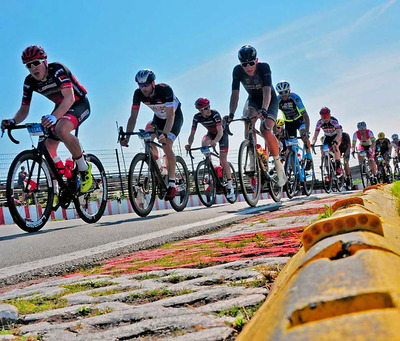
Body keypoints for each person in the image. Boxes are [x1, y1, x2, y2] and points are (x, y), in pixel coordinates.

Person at [1, 45, 92, 194]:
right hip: (60, 108)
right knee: (47, 145)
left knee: (61, 129)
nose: (32, 68)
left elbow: (69, 98)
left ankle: (84, 169)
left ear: (45, 61)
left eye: (36, 63)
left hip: (78, 103)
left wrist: (54, 117)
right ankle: (57, 185)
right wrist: (12, 121)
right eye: (28, 65)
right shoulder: (29, 82)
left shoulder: (57, 70)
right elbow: (24, 110)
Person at [119, 69, 183, 200]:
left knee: (166, 144)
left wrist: (165, 134)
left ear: (153, 83)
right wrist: (127, 137)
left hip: (174, 118)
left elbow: (171, 115)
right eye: (140, 85)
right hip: (158, 119)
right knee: (147, 135)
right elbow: (133, 117)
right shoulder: (138, 94)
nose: (143, 88)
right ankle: (158, 166)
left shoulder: (165, 90)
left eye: (146, 85)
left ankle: (172, 183)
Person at [227, 45, 286, 186]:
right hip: (253, 100)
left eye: (251, 63)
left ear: (257, 60)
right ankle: (253, 156)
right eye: (244, 64)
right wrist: (230, 114)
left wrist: (265, 109)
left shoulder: (264, 68)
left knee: (266, 130)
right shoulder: (237, 71)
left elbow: (267, 92)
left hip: (269, 100)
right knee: (247, 119)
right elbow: (235, 94)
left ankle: (278, 164)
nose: (248, 67)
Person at [185, 98, 235, 199]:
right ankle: (209, 163)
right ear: (200, 110)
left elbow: (220, 131)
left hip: (221, 135)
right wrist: (189, 144)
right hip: (211, 134)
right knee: (204, 143)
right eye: (206, 108)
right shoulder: (196, 117)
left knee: (223, 160)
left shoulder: (215, 114)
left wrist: (215, 141)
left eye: (209, 107)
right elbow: (192, 134)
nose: (209, 109)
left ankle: (230, 186)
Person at [276, 81, 312, 169]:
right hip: (289, 123)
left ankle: (309, 158)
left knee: (304, 136)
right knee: (290, 147)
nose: (284, 95)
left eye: (285, 92)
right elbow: (273, 116)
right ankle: (295, 170)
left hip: (299, 120)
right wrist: (274, 131)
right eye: (281, 93)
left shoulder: (295, 98)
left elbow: (305, 116)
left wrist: (306, 132)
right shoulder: (277, 100)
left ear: (289, 91)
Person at [311, 107, 343, 175]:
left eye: (327, 116)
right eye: (323, 117)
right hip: (327, 136)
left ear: (330, 115)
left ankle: (338, 166)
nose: (325, 118)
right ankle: (327, 169)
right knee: (323, 150)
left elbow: (339, 134)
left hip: (335, 135)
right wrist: (313, 143)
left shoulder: (334, 121)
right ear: (321, 117)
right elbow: (315, 135)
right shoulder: (319, 122)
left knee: (335, 147)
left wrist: (335, 141)